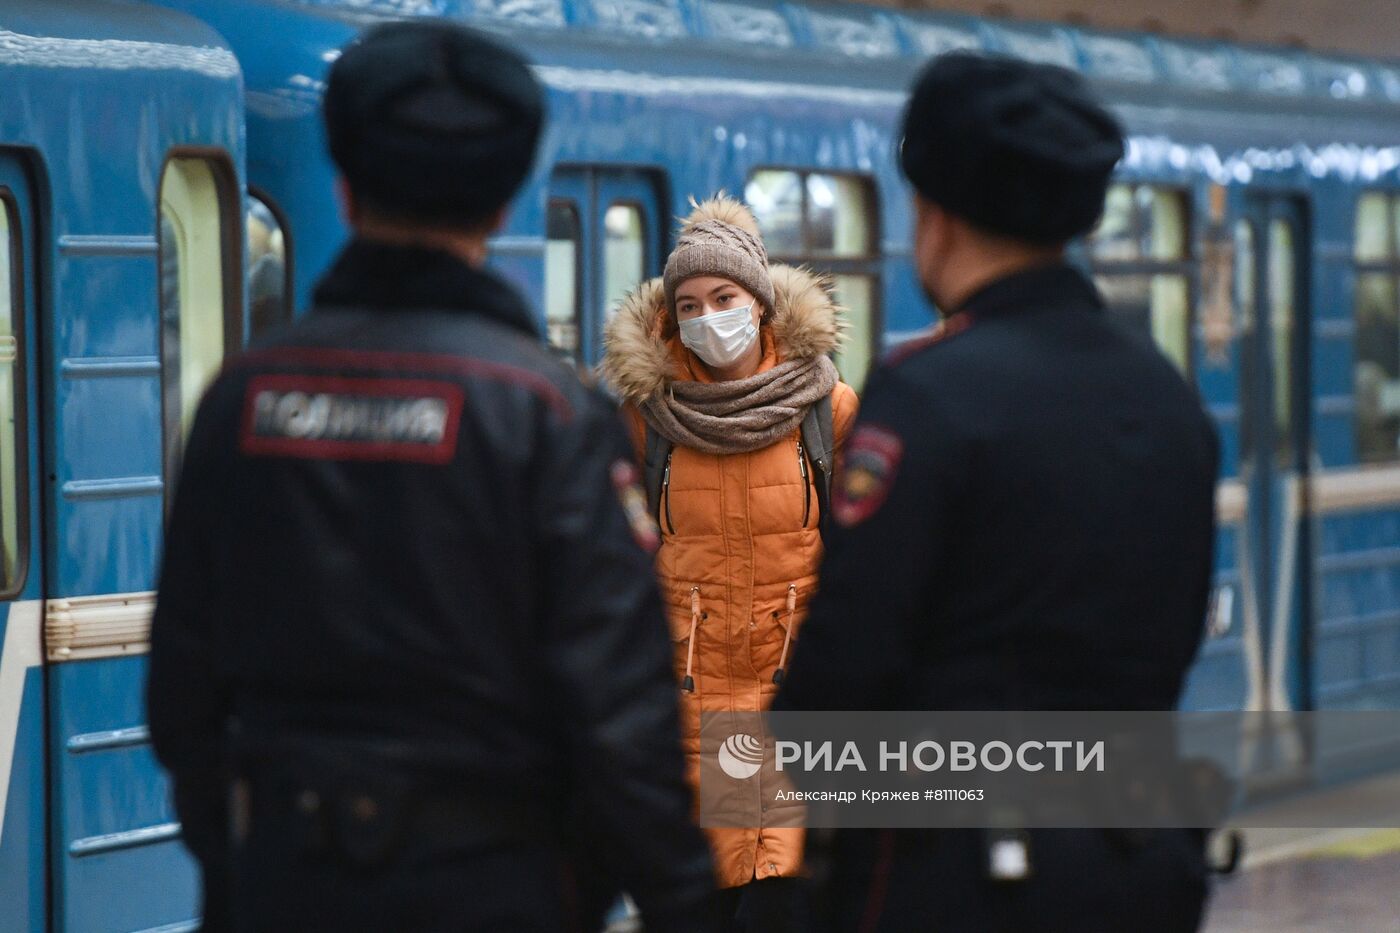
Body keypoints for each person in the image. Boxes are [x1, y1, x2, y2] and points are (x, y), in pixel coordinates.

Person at [147, 21, 715, 933]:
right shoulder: (547, 414)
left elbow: (183, 693)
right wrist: (677, 900)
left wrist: (247, 866)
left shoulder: (243, 398)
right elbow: (620, 718)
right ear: (502, 205)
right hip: (494, 889)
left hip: (288, 882)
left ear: (345, 184)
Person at [774, 52, 1219, 932]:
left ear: (935, 214)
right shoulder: (1168, 397)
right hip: (1139, 859)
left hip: (963, 878)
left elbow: (841, 678)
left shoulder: (932, 393)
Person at [601, 195, 859, 931]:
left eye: (723, 297)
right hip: (688, 720)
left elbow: (865, 568)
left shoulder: (827, 410)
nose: (707, 318)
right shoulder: (647, 419)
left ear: (760, 302)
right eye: (688, 304)